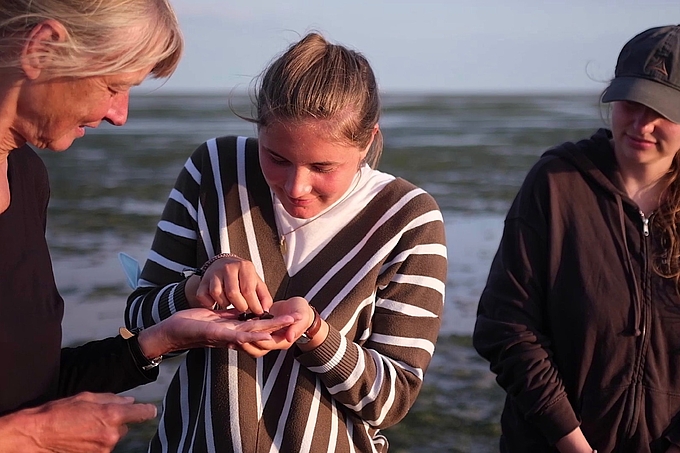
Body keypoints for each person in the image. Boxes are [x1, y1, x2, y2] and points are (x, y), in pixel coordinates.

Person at [126, 32, 448, 452]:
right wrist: (197, 287)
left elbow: (390, 400)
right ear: (258, 128)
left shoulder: (408, 217)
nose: (296, 186)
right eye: (276, 158)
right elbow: (139, 323)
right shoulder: (216, 171)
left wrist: (316, 333)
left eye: (322, 166)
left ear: (367, 141)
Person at [0, 1, 296, 451]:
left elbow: (28, 382)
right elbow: (29, 421)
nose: (120, 114)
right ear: (42, 49)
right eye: (115, 85)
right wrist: (30, 435)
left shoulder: (25, 176)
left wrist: (159, 339)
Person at [473, 25, 680, 453]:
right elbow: (506, 326)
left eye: (662, 110)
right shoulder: (557, 184)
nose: (642, 123)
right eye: (631, 103)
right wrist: (572, 443)